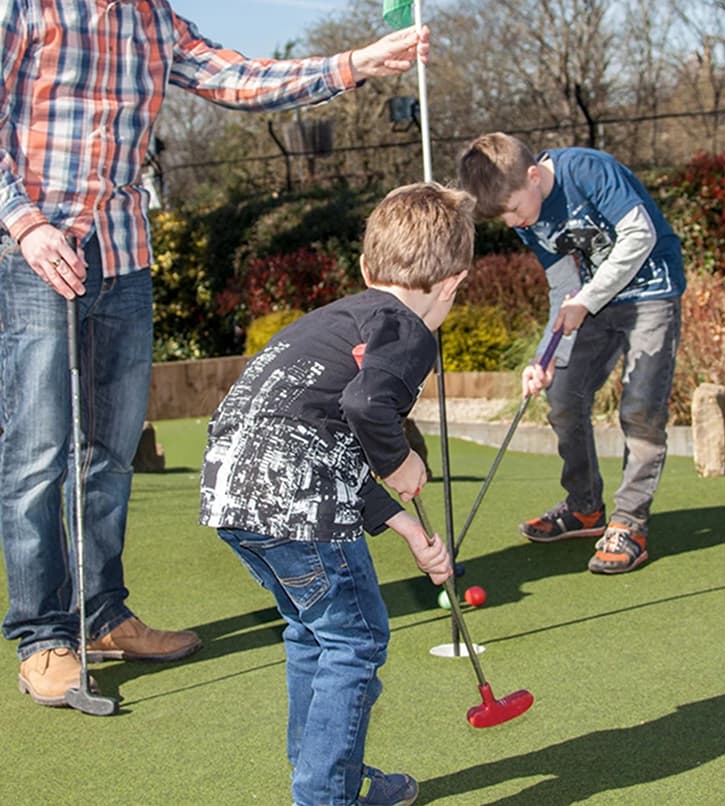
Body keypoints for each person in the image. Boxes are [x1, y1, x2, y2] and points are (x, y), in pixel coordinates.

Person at [0, 1, 431, 711]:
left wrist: (351, 66)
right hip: (36, 252)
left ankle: (102, 615)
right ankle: (44, 636)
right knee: (39, 456)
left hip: (124, 254)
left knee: (108, 455)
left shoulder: (150, 18)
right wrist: (25, 223)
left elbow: (236, 77)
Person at [199, 182, 471, 806]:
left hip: (234, 492)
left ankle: (331, 781)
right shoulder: (407, 330)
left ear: (368, 268)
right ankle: (325, 798)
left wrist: (403, 523)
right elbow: (364, 405)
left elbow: (326, 430)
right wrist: (400, 461)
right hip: (296, 497)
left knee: (313, 633)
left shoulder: (333, 320)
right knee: (355, 641)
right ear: (455, 282)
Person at [458, 133, 685, 574]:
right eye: (503, 216)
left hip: (653, 292)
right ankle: (584, 508)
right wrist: (543, 357)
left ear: (533, 175)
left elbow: (640, 234)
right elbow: (564, 288)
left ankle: (629, 522)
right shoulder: (528, 218)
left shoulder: (587, 170)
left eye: (513, 209)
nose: (511, 222)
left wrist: (588, 298)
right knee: (561, 395)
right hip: (596, 302)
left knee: (640, 408)